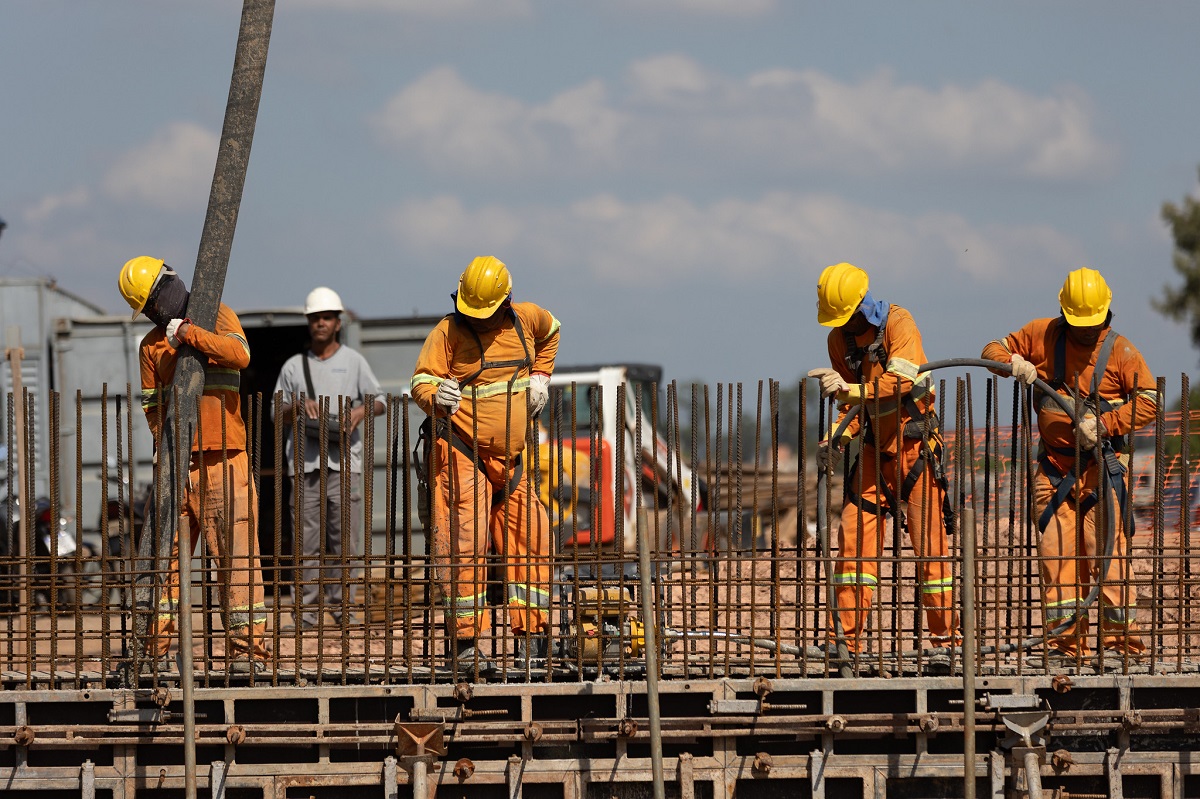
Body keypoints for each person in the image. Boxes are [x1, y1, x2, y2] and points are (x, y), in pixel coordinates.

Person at [983, 267, 1157, 666]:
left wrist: (1107, 424)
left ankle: (1120, 648)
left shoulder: (1121, 351)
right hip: (1054, 471)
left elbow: (1150, 400)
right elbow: (991, 348)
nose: (1088, 330)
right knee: (1057, 561)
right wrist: (1011, 362)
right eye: (1081, 324)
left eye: (1094, 323)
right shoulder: (1041, 334)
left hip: (1101, 472)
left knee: (1109, 561)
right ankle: (1066, 648)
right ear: (1065, 314)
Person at [119, 256, 267, 672]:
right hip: (176, 466)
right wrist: (164, 447)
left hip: (225, 459)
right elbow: (152, 406)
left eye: (153, 303)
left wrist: (189, 334)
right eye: (147, 309)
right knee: (162, 563)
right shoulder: (151, 346)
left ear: (168, 287)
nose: (154, 313)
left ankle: (247, 654)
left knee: (237, 561)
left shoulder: (217, 315)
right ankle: (155, 654)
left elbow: (239, 354)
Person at [411, 255, 559, 673]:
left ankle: (532, 641)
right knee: (466, 544)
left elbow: (553, 331)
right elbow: (420, 380)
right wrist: (436, 396)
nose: (475, 319)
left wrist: (541, 376)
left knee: (532, 538)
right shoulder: (448, 331)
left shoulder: (527, 320)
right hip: (462, 451)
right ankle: (465, 646)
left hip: (510, 461)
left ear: (506, 301)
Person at [808, 262, 959, 657]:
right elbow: (851, 408)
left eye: (846, 317)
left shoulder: (898, 324)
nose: (842, 325)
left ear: (862, 304)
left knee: (931, 554)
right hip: (875, 453)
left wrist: (852, 392)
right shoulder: (839, 342)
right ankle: (845, 642)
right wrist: (835, 437)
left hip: (915, 450)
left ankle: (946, 644)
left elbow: (902, 381)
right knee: (854, 544)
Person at [273, 287, 385, 630]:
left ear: (338, 323)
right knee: (305, 542)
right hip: (305, 465)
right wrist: (296, 406)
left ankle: (343, 607)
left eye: (326, 318)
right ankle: (306, 612)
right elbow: (275, 412)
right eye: (315, 318)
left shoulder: (354, 362)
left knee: (344, 540)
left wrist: (359, 412)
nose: (320, 323)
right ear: (309, 323)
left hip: (344, 465)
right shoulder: (294, 366)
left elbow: (380, 400)